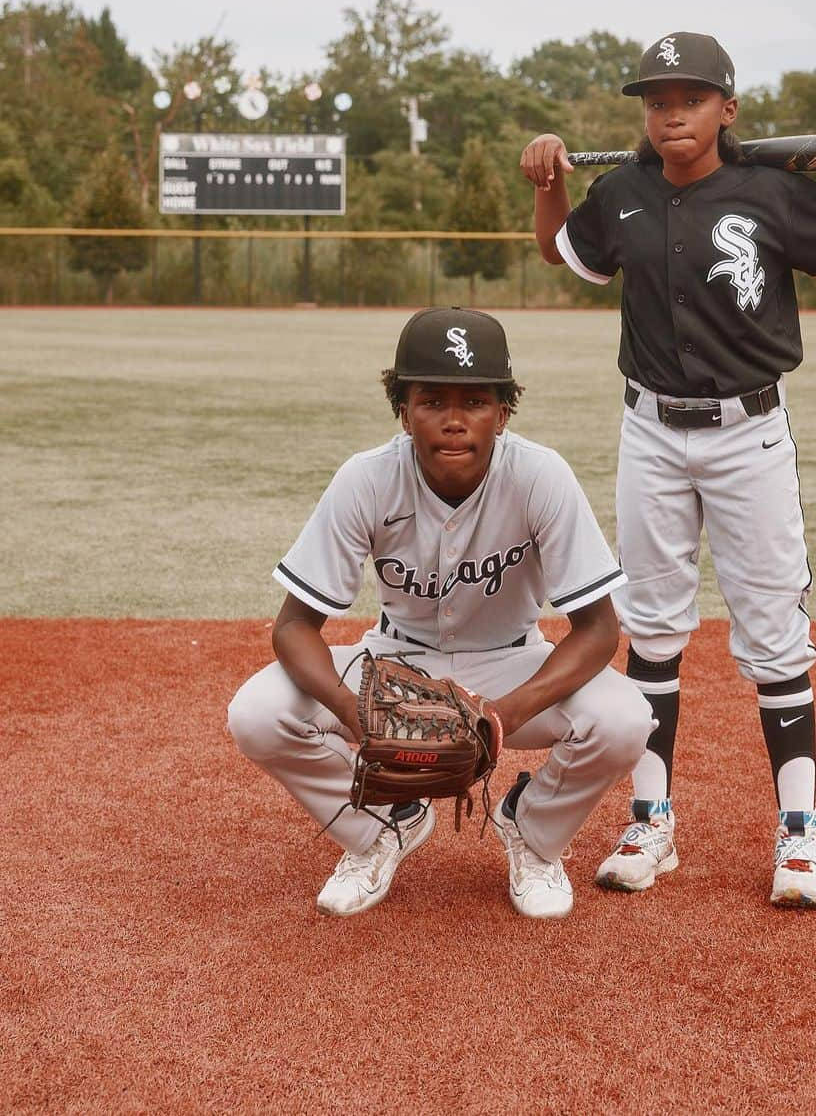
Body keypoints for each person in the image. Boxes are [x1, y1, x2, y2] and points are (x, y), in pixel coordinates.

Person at [520, 31, 816, 907]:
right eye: (656, 98)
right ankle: (651, 818)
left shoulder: (772, 192)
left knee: (774, 631)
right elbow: (562, 250)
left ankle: (800, 832)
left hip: (749, 432)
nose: (670, 111)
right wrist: (549, 187)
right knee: (653, 629)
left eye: (690, 97)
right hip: (651, 432)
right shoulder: (620, 192)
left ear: (726, 109)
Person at [228, 306, 652, 920]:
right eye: (432, 400)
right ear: (402, 409)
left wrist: (501, 717)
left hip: (512, 662)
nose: (454, 421)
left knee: (624, 720)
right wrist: (359, 717)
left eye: (476, 400)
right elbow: (293, 628)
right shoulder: (367, 479)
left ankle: (532, 834)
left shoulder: (540, 476)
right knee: (258, 713)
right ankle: (379, 827)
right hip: (393, 665)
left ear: (504, 410)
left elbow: (599, 631)